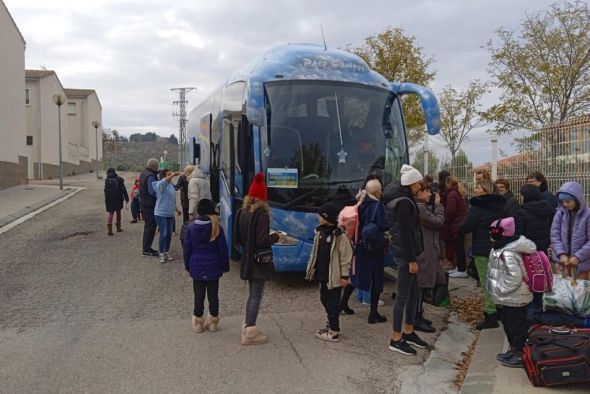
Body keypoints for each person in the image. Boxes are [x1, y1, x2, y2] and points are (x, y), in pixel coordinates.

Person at [384, 165, 428, 355]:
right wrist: (411, 259)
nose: (421, 187)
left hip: (408, 253)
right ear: (411, 183)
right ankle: (396, 338)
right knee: (402, 296)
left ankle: (408, 331)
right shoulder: (403, 203)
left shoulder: (404, 199)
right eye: (419, 183)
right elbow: (405, 233)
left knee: (414, 294)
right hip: (405, 255)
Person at [235, 173, 282, 345]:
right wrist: (276, 237)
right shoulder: (261, 214)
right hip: (258, 262)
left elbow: (240, 238)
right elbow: (262, 240)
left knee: (252, 295)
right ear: (263, 198)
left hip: (247, 259)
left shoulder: (243, 212)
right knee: (256, 295)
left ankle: (248, 324)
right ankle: (250, 332)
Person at [487, 217, 535, 368]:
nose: (491, 234)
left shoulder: (508, 252)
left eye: (494, 232)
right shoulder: (500, 247)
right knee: (508, 325)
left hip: (514, 297)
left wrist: (500, 289)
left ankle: (520, 353)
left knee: (517, 326)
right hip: (506, 298)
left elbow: (515, 277)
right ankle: (513, 350)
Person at [459, 179, 506, 329]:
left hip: (482, 249)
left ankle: (490, 315)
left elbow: (466, 226)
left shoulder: (477, 207)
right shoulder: (501, 205)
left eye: (479, 187)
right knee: (497, 281)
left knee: (486, 282)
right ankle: (500, 310)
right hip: (499, 248)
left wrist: (458, 228)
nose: (476, 189)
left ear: (485, 190)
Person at [305, 203, 353, 342]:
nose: (318, 217)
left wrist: (345, 276)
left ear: (327, 217)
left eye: (321, 215)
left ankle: (334, 331)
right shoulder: (319, 232)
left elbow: (346, 257)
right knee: (324, 299)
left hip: (334, 276)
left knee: (332, 303)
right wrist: (310, 269)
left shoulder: (339, 236)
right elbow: (314, 253)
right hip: (323, 275)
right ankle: (330, 322)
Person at [183, 199, 229, 333]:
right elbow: (223, 249)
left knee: (198, 295)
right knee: (213, 295)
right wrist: (225, 266)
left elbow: (187, 249)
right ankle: (213, 321)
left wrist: (188, 265)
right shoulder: (216, 227)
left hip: (196, 266)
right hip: (214, 266)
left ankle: (198, 322)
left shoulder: (191, 228)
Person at [352, 179, 388, 324]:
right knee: (376, 279)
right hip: (374, 247)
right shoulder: (378, 206)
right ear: (377, 192)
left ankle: (343, 303)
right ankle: (373, 313)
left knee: (357, 274)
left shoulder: (360, 203)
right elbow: (383, 225)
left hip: (360, 244)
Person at [414, 181, 445, 333]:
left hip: (428, 250)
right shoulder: (421, 209)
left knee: (423, 286)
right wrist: (439, 207)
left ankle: (418, 315)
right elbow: (437, 222)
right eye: (426, 192)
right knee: (420, 286)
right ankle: (416, 318)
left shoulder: (422, 207)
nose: (429, 195)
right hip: (425, 252)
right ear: (419, 192)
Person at [551, 182, 590, 280]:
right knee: (563, 292)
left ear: (577, 200)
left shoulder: (588, 215)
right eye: (562, 201)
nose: (565, 204)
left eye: (568, 201)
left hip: (581, 264)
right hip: (562, 262)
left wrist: (578, 257)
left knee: (580, 291)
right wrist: (561, 254)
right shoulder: (560, 213)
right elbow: (555, 236)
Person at [440, 176, 468, 277]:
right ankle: (459, 267)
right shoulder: (459, 192)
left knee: (459, 248)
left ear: (448, 183)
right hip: (460, 224)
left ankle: (461, 270)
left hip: (456, 225)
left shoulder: (452, 194)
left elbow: (450, 210)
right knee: (458, 247)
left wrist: (444, 220)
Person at [153, 169, 181, 264]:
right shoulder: (159, 184)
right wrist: (173, 174)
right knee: (163, 233)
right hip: (160, 213)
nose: (171, 176)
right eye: (168, 175)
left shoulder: (171, 185)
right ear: (164, 176)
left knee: (169, 233)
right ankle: (161, 253)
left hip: (170, 213)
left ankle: (166, 251)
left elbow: (171, 198)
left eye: (171, 174)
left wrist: (176, 209)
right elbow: (162, 183)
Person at [140, 158, 160, 257]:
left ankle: (147, 247)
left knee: (148, 226)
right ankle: (147, 249)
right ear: (153, 166)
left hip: (144, 203)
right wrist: (161, 196)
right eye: (157, 167)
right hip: (150, 205)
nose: (157, 168)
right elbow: (152, 191)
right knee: (150, 226)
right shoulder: (151, 176)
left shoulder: (144, 173)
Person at [104, 168, 129, 236]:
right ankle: (118, 228)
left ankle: (110, 230)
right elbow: (123, 189)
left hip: (109, 199)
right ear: (114, 172)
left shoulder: (106, 180)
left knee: (111, 213)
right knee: (118, 212)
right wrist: (127, 198)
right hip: (118, 198)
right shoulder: (119, 179)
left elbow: (105, 190)